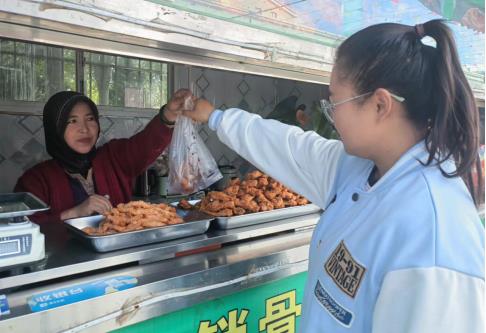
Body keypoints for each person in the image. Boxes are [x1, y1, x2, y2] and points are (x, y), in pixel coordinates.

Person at [183, 20, 485, 332]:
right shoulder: (359, 169)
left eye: (335, 100)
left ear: (380, 105)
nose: (331, 113)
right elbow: (291, 148)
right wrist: (215, 118)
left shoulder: (434, 240)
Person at [15, 89, 191, 223]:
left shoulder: (113, 157)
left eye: (90, 119)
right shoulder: (35, 181)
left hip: (120, 261)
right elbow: (24, 228)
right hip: (64, 270)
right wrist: (74, 213)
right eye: (72, 121)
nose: (84, 128)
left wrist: (169, 114)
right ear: (56, 128)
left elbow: (145, 145)